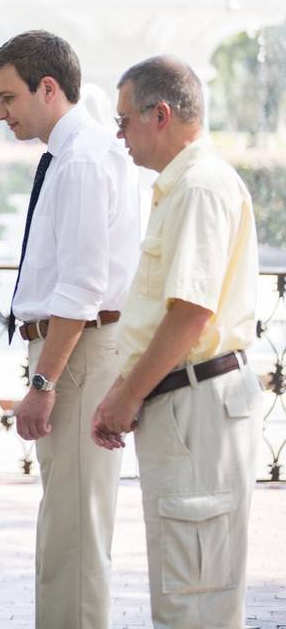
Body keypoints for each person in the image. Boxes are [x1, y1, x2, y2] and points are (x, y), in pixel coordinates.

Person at [92, 56, 262, 629]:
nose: (121, 136)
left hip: (195, 400)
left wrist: (125, 396)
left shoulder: (199, 186)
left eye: (124, 122)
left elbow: (191, 312)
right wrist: (127, 387)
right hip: (187, 401)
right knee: (186, 582)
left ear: (159, 115)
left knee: (194, 595)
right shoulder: (185, 185)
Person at [0, 30, 141, 628]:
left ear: (47, 88)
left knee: (73, 532)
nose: (1, 112)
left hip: (75, 353)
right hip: (75, 349)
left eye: (8, 97)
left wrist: (43, 382)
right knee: (70, 524)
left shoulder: (79, 159)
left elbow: (81, 286)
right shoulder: (83, 152)